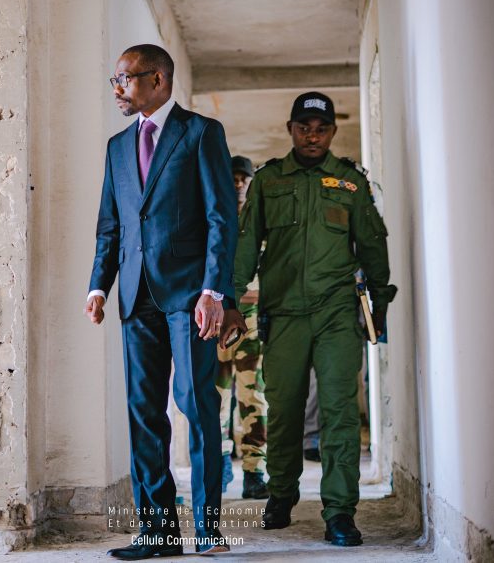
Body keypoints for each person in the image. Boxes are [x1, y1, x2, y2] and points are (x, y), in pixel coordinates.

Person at [220, 91, 397, 547]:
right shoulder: (269, 181)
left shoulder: (350, 183)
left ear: (332, 132)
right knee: (284, 411)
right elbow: (245, 244)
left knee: (338, 414)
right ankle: (281, 495)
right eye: (304, 128)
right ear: (291, 130)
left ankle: (340, 512)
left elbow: (373, 245)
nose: (312, 136)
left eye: (320, 129)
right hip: (282, 315)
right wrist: (232, 301)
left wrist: (379, 303)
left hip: (337, 313)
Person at [86, 44, 237, 559]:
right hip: (135, 296)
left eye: (125, 79)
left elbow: (221, 217)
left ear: (158, 80)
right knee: (144, 413)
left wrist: (215, 291)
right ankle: (159, 532)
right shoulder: (116, 147)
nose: (117, 89)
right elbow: (111, 224)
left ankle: (209, 529)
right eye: (115, 79)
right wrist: (98, 286)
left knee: (195, 405)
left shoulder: (200, 133)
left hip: (190, 295)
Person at [215, 156, 269, 499]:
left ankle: (254, 472)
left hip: (252, 315)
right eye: (233, 178)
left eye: (243, 179)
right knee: (215, 397)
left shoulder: (260, 220)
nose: (238, 184)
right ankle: (218, 466)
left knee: (254, 395)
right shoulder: (215, 217)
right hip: (218, 317)